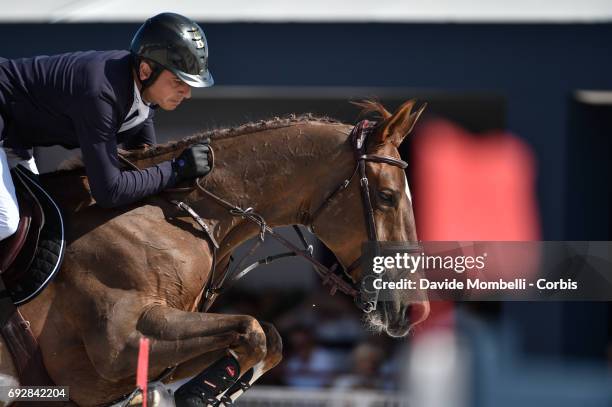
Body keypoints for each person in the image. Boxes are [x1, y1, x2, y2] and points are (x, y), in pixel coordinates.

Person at [0, 12, 213, 240]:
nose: (188, 93)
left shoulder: (144, 95)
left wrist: (176, 171)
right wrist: (177, 168)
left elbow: (144, 162)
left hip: (14, 139)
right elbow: (109, 191)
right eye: (178, 81)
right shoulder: (101, 94)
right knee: (6, 222)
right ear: (145, 70)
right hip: (8, 127)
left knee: (39, 218)